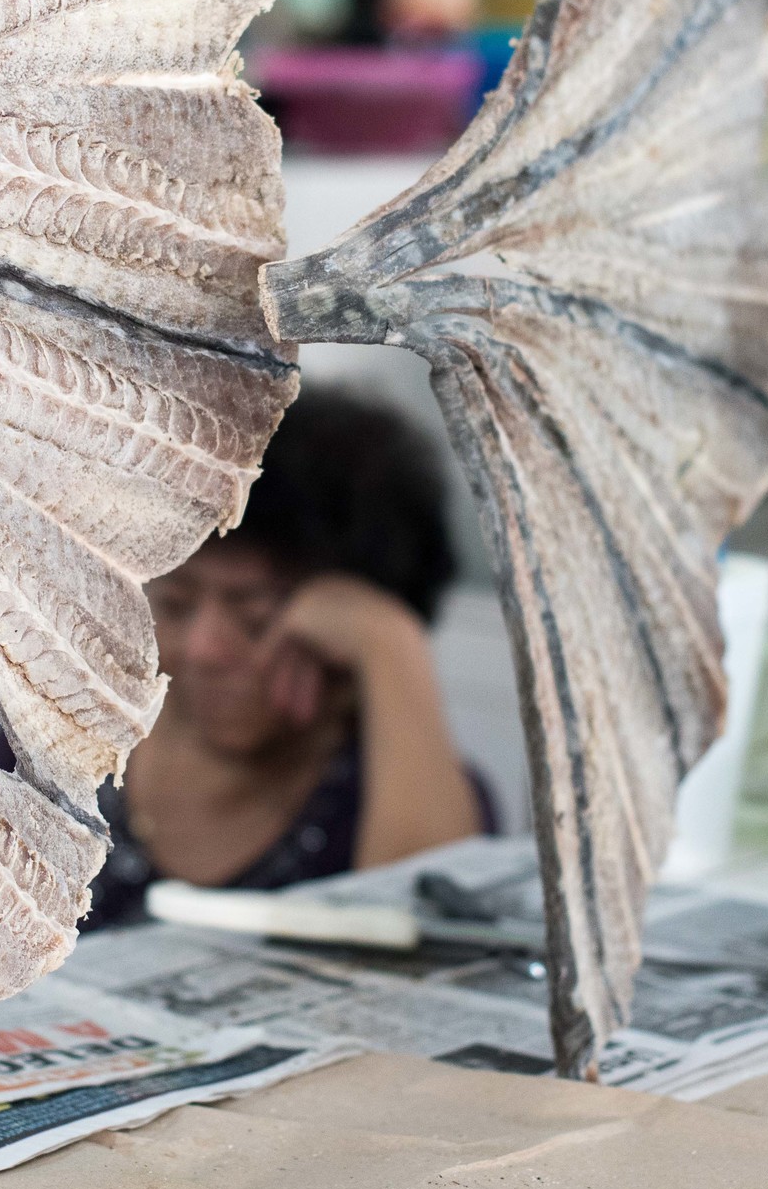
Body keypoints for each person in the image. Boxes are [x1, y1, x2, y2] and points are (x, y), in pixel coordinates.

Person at [73, 389, 490, 929]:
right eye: (176, 604)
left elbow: (426, 945)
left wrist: (392, 643)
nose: (204, 650)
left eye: (255, 618)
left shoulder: (400, 782)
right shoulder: (81, 733)